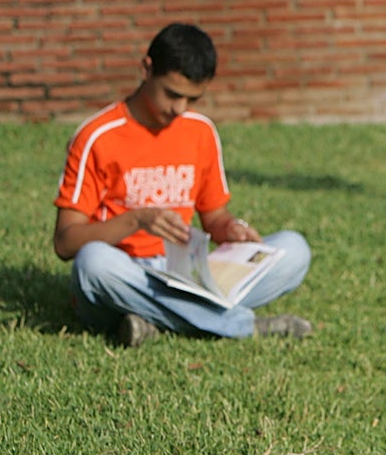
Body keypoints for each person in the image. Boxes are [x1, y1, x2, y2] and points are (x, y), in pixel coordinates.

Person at [53, 23, 312, 347]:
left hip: (188, 272)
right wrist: (137, 219)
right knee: (93, 262)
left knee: (295, 249)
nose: (180, 109)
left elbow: (214, 217)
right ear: (146, 69)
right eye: (172, 95)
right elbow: (66, 242)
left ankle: (156, 321)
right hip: (126, 275)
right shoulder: (97, 137)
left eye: (192, 98)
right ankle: (240, 325)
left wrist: (232, 228)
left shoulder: (200, 131)